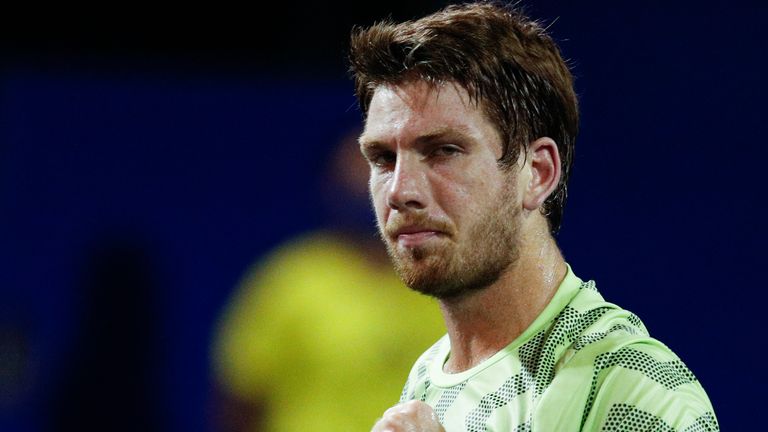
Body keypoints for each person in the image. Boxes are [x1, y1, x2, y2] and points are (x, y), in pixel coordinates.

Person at [349, 3, 718, 431]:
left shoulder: (630, 387)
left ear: (537, 173)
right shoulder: (429, 377)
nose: (399, 191)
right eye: (382, 158)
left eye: (443, 151)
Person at [210, 129, 445, 432]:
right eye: (359, 166)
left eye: (382, 165)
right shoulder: (293, 279)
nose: (366, 181)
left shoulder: (447, 278)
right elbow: (241, 396)